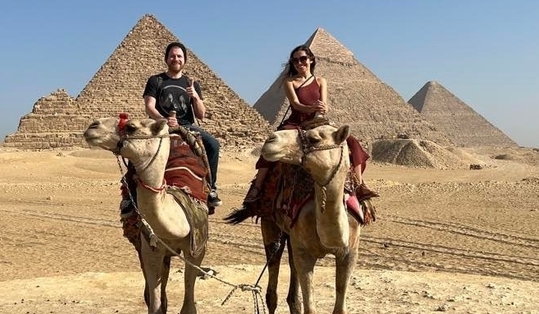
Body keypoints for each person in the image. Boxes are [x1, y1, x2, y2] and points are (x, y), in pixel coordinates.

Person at [244, 44, 378, 206]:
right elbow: (296, 104)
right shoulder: (290, 82)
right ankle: (257, 187)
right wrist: (312, 108)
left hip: (317, 122)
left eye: (303, 59)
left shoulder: (321, 81)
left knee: (352, 142)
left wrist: (322, 109)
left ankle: (359, 184)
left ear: (311, 60)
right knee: (272, 145)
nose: (299, 63)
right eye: (295, 61)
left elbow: (324, 105)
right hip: (296, 123)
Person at [143, 41, 222, 208]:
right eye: (172, 56)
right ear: (166, 58)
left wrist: (195, 97)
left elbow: (201, 114)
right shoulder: (156, 80)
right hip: (160, 125)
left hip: (186, 126)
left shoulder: (191, 83)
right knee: (136, 145)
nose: (176, 59)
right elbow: (149, 106)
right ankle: (129, 195)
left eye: (179, 56)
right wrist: (163, 119)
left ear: (184, 60)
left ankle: (211, 188)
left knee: (213, 145)